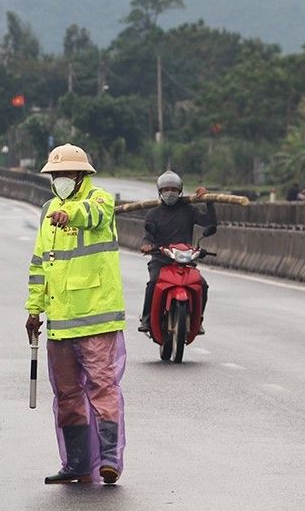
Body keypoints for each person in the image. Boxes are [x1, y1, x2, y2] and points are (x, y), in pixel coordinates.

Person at [25, 143, 127, 485]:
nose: (59, 180)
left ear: (82, 175)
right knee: (67, 394)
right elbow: (40, 264)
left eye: (65, 174)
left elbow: (95, 216)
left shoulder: (101, 200)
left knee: (102, 387)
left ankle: (109, 459)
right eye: (54, 175)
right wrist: (33, 310)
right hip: (60, 324)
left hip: (97, 318)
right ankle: (77, 463)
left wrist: (73, 215)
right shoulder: (47, 211)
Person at [137, 170, 217, 334]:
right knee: (152, 283)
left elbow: (209, 222)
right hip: (161, 259)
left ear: (180, 191)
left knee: (202, 285)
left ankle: (198, 319)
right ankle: (146, 318)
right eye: (166, 189)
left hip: (184, 260)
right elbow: (147, 237)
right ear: (160, 191)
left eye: (173, 189)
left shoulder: (189, 210)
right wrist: (146, 245)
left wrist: (209, 202)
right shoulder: (153, 214)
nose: (170, 193)